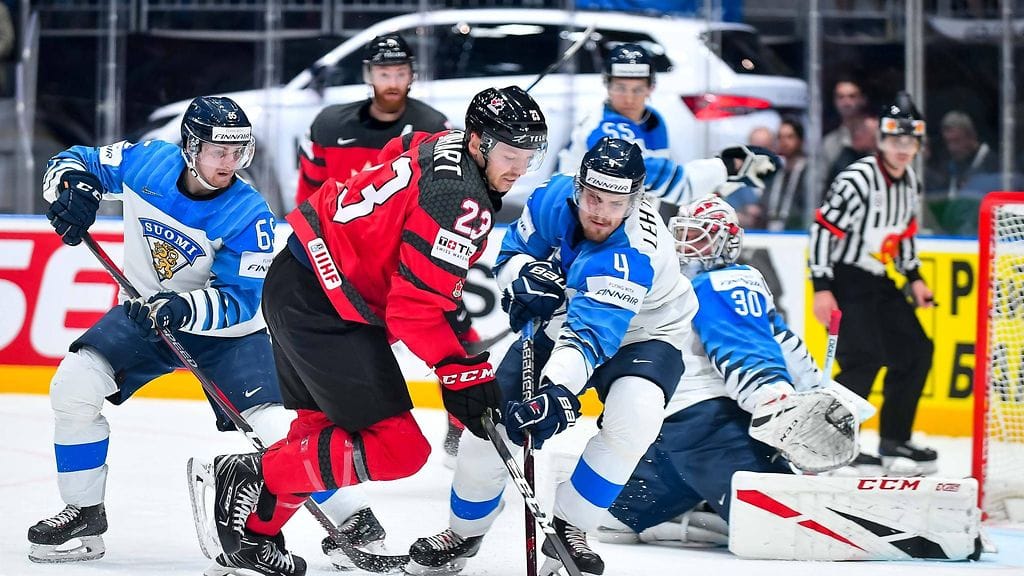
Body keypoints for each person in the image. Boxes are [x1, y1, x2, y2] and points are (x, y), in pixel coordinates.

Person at [206, 86, 548, 576]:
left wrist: (459, 349)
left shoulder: (441, 142)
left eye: (528, 157)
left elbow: (393, 156)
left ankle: (254, 536)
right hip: (326, 306)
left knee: (319, 435)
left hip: (298, 278)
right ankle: (254, 475)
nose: (517, 168)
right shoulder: (464, 202)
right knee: (400, 448)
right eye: (510, 154)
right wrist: (461, 371)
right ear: (478, 143)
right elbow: (412, 311)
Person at [25, 96, 353, 568]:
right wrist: (73, 189)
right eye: (219, 151)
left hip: (227, 335)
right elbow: (75, 160)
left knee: (277, 429)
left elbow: (243, 299)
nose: (230, 163)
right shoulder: (148, 163)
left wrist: (181, 307)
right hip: (143, 318)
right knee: (74, 386)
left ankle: (352, 519)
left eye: (238, 151)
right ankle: (84, 510)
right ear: (190, 147)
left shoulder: (248, 213)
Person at [407, 137, 698, 576]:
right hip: (563, 321)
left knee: (634, 418)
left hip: (648, 334)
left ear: (637, 202)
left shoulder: (633, 252)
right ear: (578, 187)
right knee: (488, 431)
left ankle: (570, 527)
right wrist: (524, 277)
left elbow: (590, 336)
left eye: (615, 203)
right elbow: (510, 255)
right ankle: (464, 532)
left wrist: (557, 391)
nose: (600, 212)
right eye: (592, 197)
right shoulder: (549, 198)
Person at [593, 195, 871, 547]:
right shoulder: (728, 281)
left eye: (699, 236)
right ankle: (723, 508)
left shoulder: (677, 282)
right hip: (710, 430)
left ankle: (688, 507)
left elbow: (781, 342)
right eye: (684, 235)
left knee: (614, 520)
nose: (686, 245)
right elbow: (745, 352)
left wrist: (819, 388)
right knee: (794, 523)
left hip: (661, 435)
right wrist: (775, 398)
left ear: (726, 241)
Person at [810, 91, 937, 476]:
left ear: (917, 144)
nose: (902, 148)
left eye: (909, 141)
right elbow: (823, 229)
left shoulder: (909, 182)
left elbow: (904, 235)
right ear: (881, 140)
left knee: (916, 351)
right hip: (846, 277)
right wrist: (821, 286)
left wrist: (914, 278)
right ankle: (834, 444)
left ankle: (895, 439)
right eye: (895, 140)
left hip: (879, 277)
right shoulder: (858, 179)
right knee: (863, 359)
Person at [295, 32, 450, 208]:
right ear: (368, 75)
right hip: (341, 234)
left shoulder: (434, 129)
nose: (393, 83)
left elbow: (443, 199)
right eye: (384, 74)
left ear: (411, 76)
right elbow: (309, 197)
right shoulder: (329, 126)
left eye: (401, 73)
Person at [558, 42, 671, 175]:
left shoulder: (655, 120)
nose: (629, 99)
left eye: (638, 90)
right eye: (620, 89)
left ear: (651, 88)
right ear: (607, 86)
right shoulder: (598, 125)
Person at [933, 110, 997, 199]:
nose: (952, 148)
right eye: (948, 142)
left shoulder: (994, 164)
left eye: (957, 141)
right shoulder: (949, 167)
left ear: (972, 136)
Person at [762, 116, 808, 231]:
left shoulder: (809, 173)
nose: (784, 142)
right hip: (771, 232)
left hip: (799, 233)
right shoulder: (775, 172)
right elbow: (765, 203)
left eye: (790, 137)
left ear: (800, 140)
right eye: (780, 137)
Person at [821, 78, 867, 185]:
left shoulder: (875, 138)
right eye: (841, 97)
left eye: (852, 96)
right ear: (835, 101)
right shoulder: (829, 143)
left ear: (862, 99)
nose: (846, 102)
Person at [828, 114, 878, 182]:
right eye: (856, 129)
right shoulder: (846, 159)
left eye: (863, 130)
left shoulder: (881, 158)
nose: (857, 133)